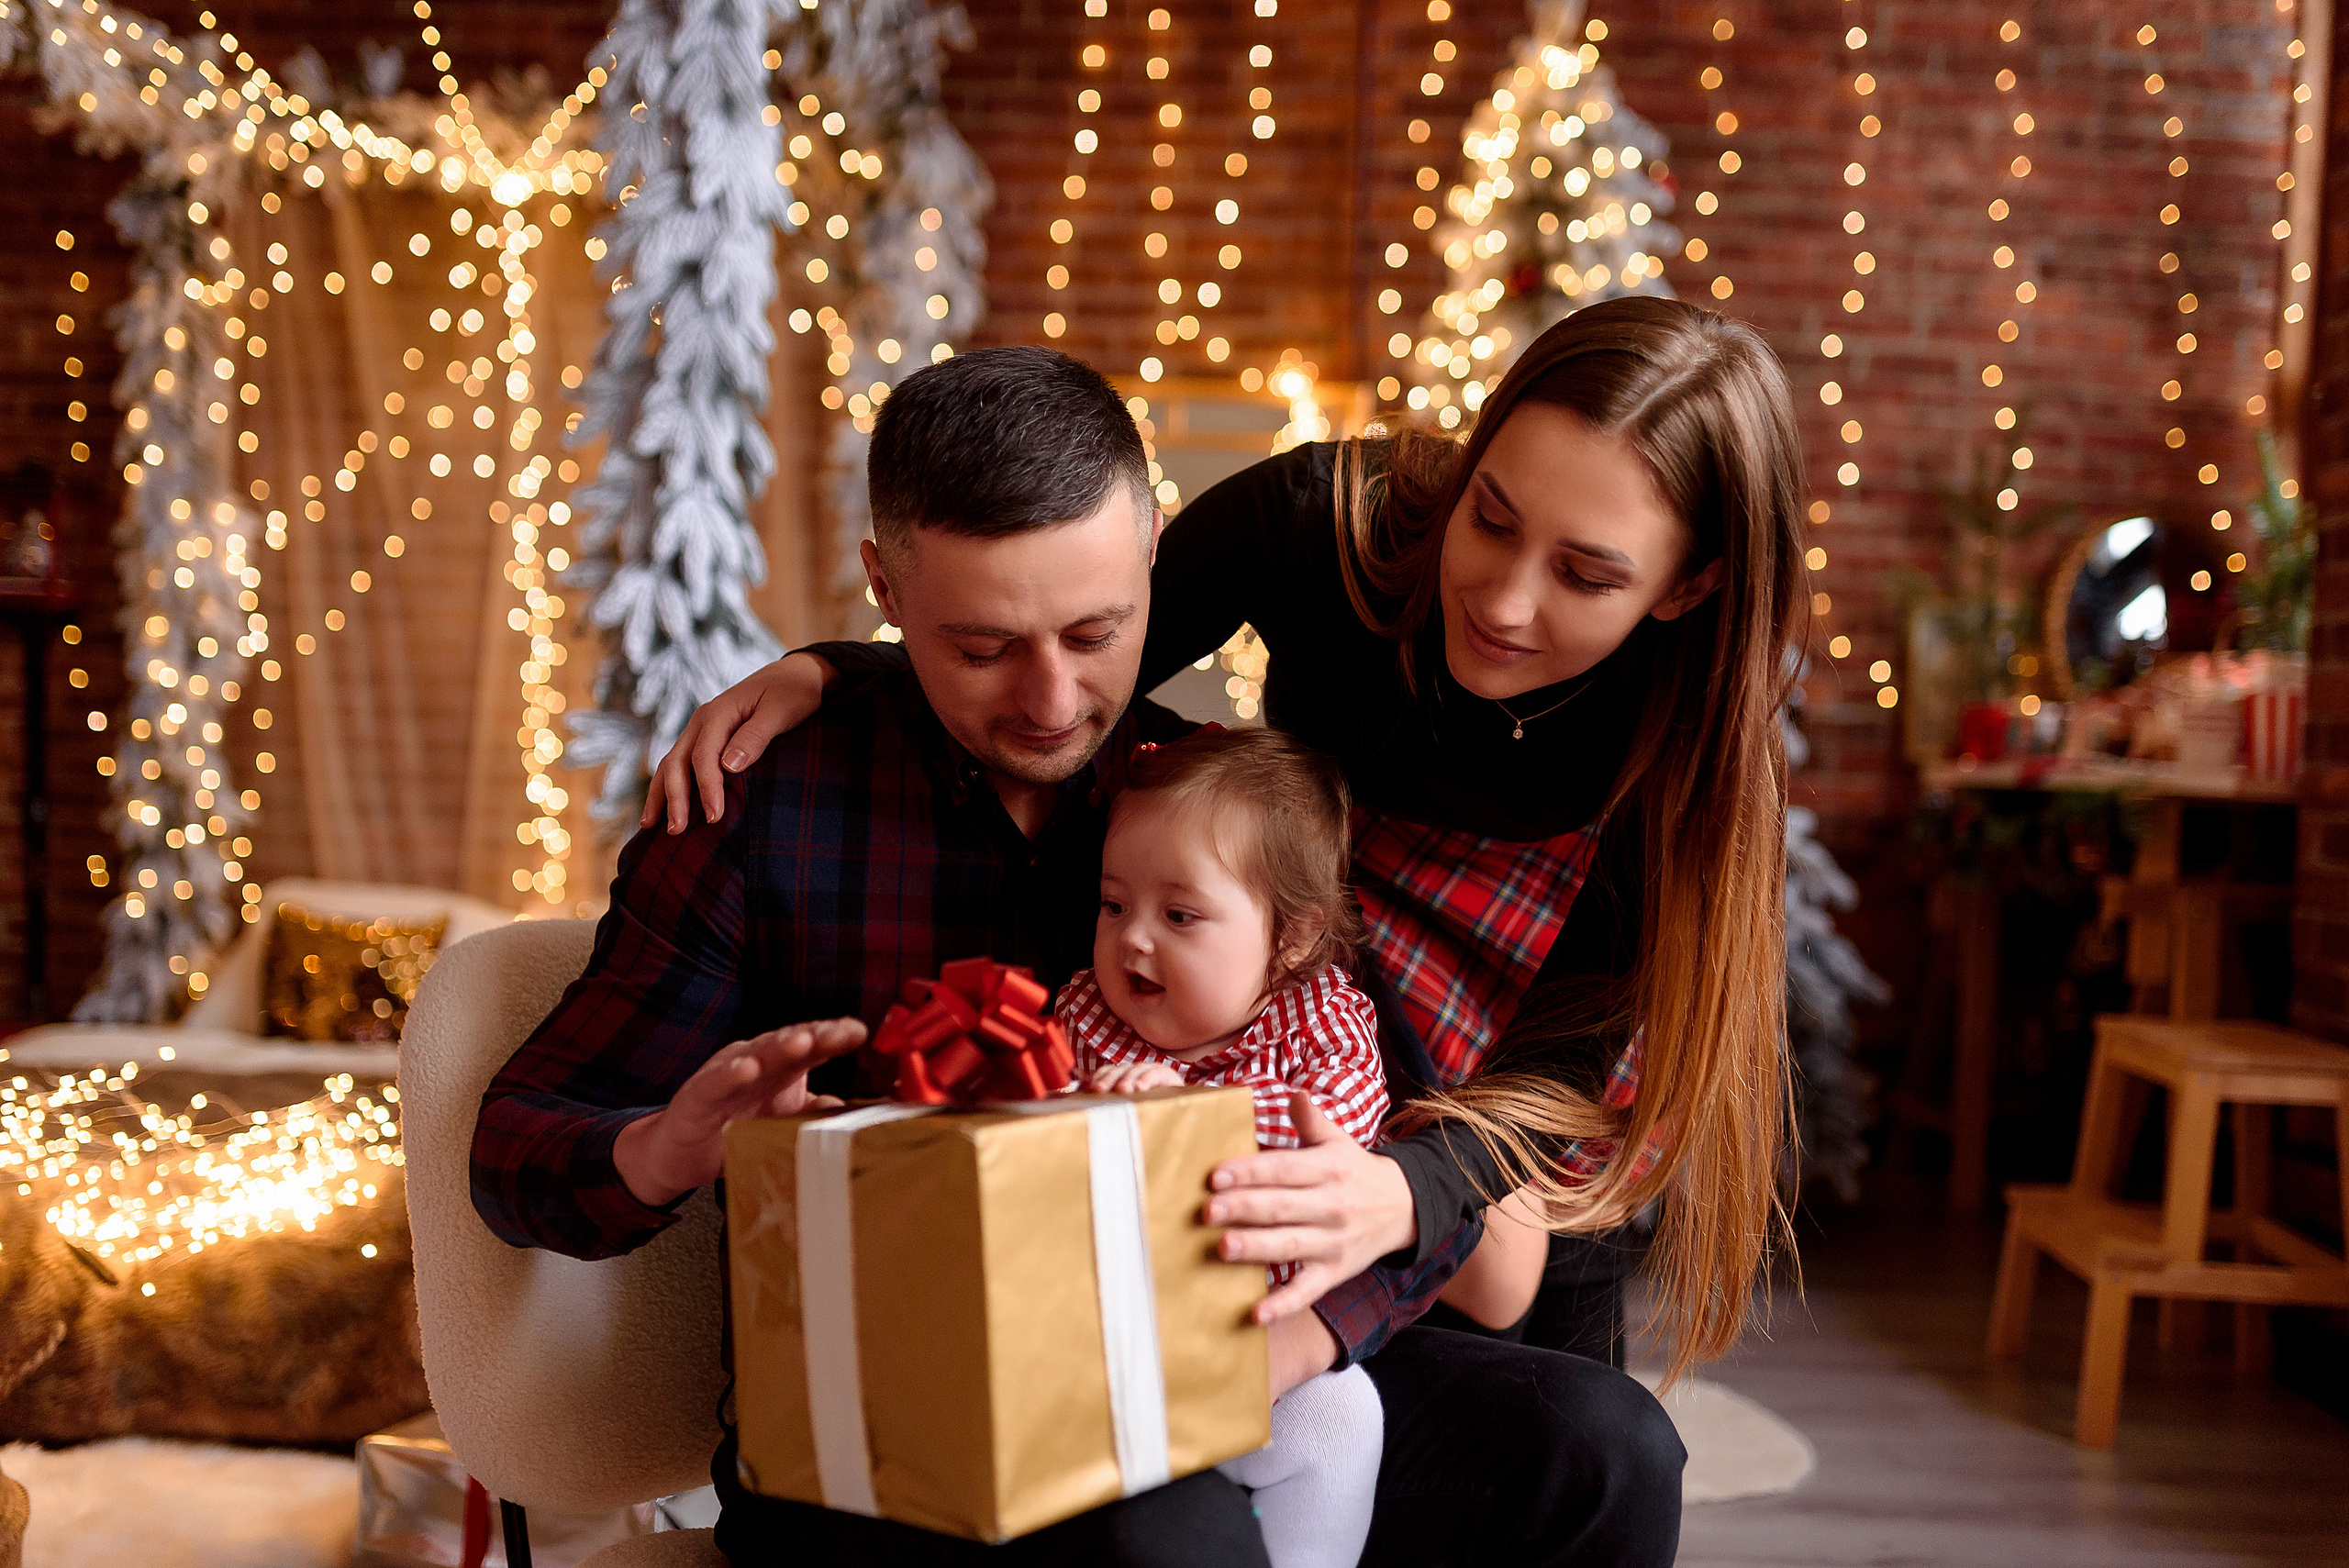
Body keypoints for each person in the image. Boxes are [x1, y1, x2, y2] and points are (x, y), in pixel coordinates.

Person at [476, 341, 1687, 1567]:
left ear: (1155, 548)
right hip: (885, 1421)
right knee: (1174, 1530)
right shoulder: (766, 809)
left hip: (1201, 1341)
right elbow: (519, 1145)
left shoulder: (1207, 808)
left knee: (1601, 1449)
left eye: (1097, 630)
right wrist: (664, 1146)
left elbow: (1403, 1192)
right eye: (984, 648)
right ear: (885, 590)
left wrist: (1309, 1320)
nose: (1054, 699)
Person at [645, 295, 1808, 1439]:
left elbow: (1565, 1052)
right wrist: (853, 672)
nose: (1502, 600)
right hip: (1304, 955)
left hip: (1527, 1096)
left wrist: (1416, 1186)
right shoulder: (1324, 523)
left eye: (1587, 576)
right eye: (1490, 518)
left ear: (1688, 584)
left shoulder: (1687, 755)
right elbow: (1075, 666)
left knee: (1577, 1425)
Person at [1069, 725, 1387, 1568]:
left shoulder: (1321, 1022)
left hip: (1246, 1346)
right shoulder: (1086, 1017)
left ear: (1293, 938)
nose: (1134, 938)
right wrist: (1073, 1109)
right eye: (1113, 904)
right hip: (1092, 1342)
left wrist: (1190, 1118)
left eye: (1179, 915)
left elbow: (1331, 1147)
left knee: (1343, 1418)